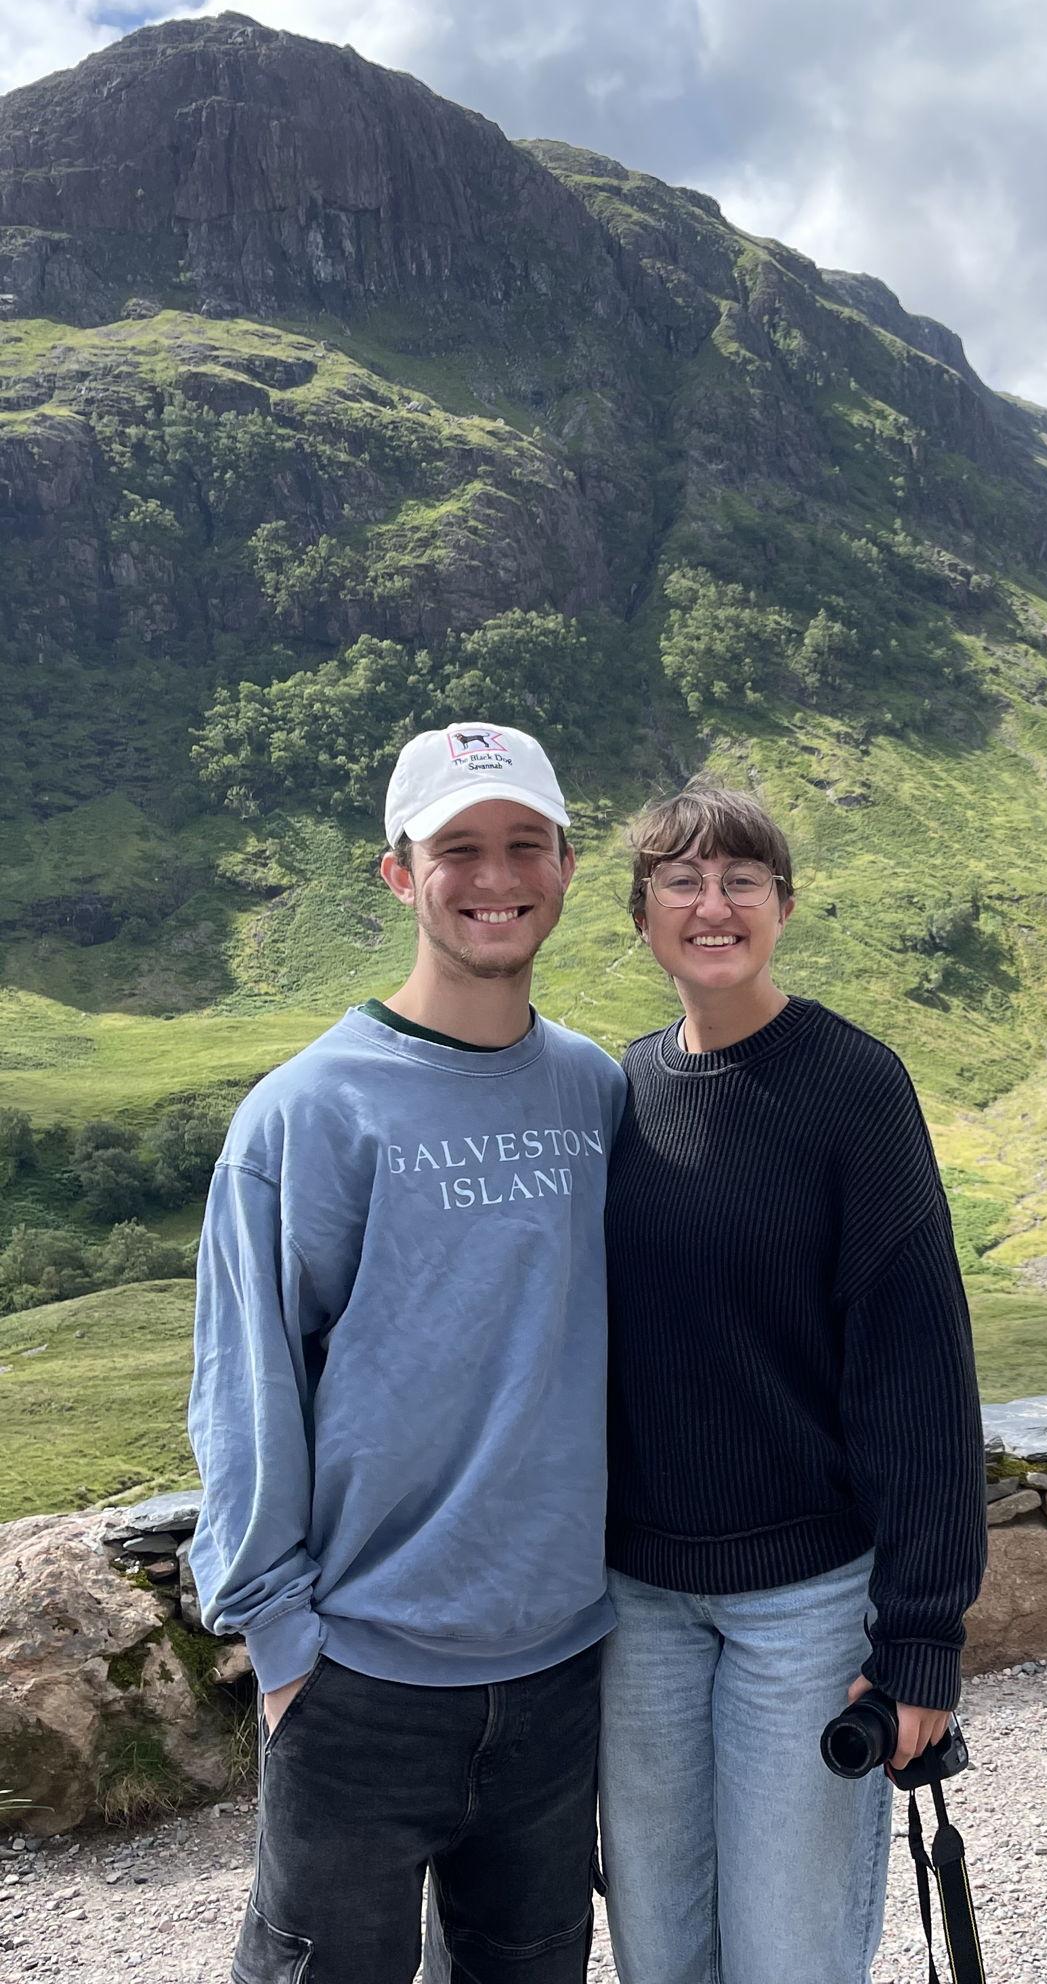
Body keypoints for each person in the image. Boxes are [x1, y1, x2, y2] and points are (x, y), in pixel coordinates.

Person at [188, 721, 625, 1984]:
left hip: (558, 1672)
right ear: (398, 872)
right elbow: (246, 1388)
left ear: (566, 864)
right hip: (361, 1679)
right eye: (460, 848)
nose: (497, 875)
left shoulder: (593, 1090)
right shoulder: (306, 1112)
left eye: (524, 844)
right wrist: (282, 1646)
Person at [599, 777, 987, 1984]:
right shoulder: (612, 1094)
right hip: (635, 1608)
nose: (711, 904)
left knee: (789, 1958)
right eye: (682, 879)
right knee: (660, 1950)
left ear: (783, 904)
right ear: (642, 910)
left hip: (806, 1609)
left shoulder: (853, 1088)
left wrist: (920, 1635)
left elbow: (918, 1367)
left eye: (740, 880)